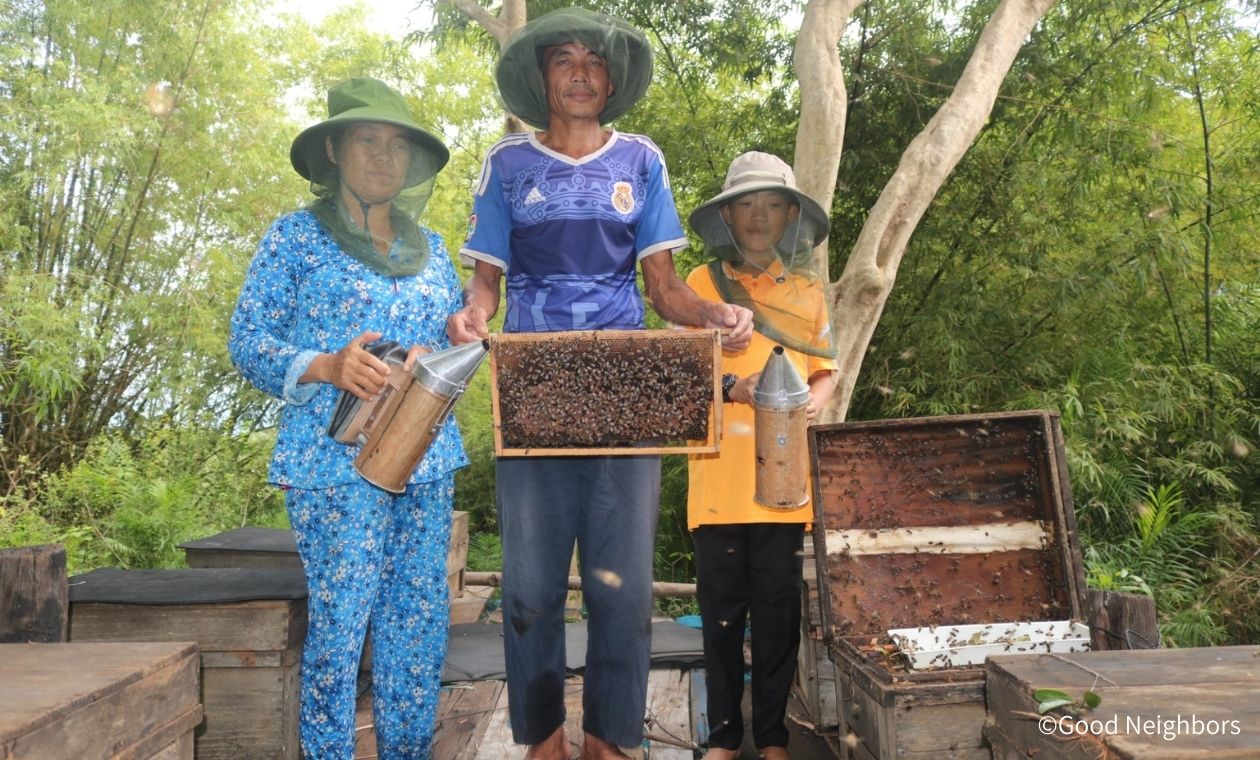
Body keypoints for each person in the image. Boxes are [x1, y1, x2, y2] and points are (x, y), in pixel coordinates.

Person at [447, 8, 753, 760]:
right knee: (529, 585)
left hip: (626, 392)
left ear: (611, 83)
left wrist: (713, 314)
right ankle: (543, 738)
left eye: (594, 63)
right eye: (565, 60)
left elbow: (663, 288)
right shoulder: (506, 164)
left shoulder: (641, 160)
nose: (581, 75)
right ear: (542, 77)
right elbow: (486, 284)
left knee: (622, 584)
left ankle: (610, 739)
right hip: (532, 389)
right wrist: (471, 315)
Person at [228, 77, 467, 759]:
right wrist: (327, 365)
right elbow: (248, 341)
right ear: (333, 150)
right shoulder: (295, 238)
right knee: (339, 629)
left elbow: (451, 344)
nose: (383, 157)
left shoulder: (435, 250)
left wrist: (442, 346)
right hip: (330, 465)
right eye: (367, 140)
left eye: (396, 145)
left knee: (417, 626)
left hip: (425, 459)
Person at [684, 151, 839, 760]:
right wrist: (733, 388)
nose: (758, 216)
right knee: (720, 615)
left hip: (785, 483)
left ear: (790, 215)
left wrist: (810, 407)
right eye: (746, 204)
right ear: (727, 215)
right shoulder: (699, 285)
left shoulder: (807, 290)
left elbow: (824, 373)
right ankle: (723, 737)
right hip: (717, 479)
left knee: (778, 614)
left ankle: (773, 737)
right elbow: (679, 372)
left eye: (772, 204)